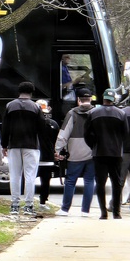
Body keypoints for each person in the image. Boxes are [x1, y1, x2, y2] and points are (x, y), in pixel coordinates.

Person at [84, 88, 129, 219]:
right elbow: (126, 134)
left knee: (100, 183)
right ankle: (116, 212)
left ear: (103, 98)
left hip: (99, 152)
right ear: (113, 99)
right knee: (117, 183)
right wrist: (119, 144)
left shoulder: (93, 113)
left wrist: (93, 145)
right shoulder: (121, 114)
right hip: (116, 153)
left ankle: (103, 212)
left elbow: (86, 134)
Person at [2, 81, 42, 216]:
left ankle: (14, 205)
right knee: (30, 175)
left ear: (19, 91)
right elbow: (41, 127)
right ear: (31, 92)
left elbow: (5, 127)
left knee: (15, 175)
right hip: (31, 145)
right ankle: (29, 205)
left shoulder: (10, 106)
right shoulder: (36, 107)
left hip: (14, 144)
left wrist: (3, 145)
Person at [55, 88, 96, 217]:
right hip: (92, 151)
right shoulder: (96, 113)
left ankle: (65, 209)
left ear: (78, 100)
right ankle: (85, 211)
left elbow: (63, 135)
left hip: (74, 152)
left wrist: (57, 150)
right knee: (89, 181)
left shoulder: (72, 113)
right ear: (90, 99)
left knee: (70, 181)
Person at [36, 100, 59, 211]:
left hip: (34, 156)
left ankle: (28, 201)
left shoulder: (31, 124)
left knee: (29, 180)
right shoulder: (53, 124)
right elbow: (56, 141)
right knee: (46, 181)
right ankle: (43, 202)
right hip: (48, 157)